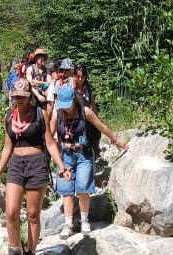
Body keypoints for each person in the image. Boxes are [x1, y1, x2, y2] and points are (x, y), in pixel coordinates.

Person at [0, 78, 72, 255]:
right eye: (16, 96)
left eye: (22, 96)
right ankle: (14, 253)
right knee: (11, 211)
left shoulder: (39, 114)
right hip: (16, 166)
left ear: (29, 96)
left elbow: (50, 143)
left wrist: (61, 166)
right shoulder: (9, 117)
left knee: (33, 214)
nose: (19, 100)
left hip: (36, 164)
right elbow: (7, 147)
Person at [50, 83, 128, 238]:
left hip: (84, 153)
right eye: (63, 105)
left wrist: (116, 141)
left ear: (74, 100)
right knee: (67, 190)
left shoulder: (85, 111)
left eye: (68, 105)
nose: (65, 108)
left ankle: (84, 221)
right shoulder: (57, 114)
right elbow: (49, 138)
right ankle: (68, 224)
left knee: (83, 188)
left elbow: (102, 127)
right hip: (65, 154)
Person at [74, 62, 101, 157]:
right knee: (82, 143)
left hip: (89, 118)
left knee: (95, 137)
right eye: (77, 76)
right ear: (74, 76)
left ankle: (95, 154)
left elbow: (92, 103)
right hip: (77, 121)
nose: (80, 79)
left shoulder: (87, 86)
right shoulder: (70, 89)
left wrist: (96, 118)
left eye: (83, 76)